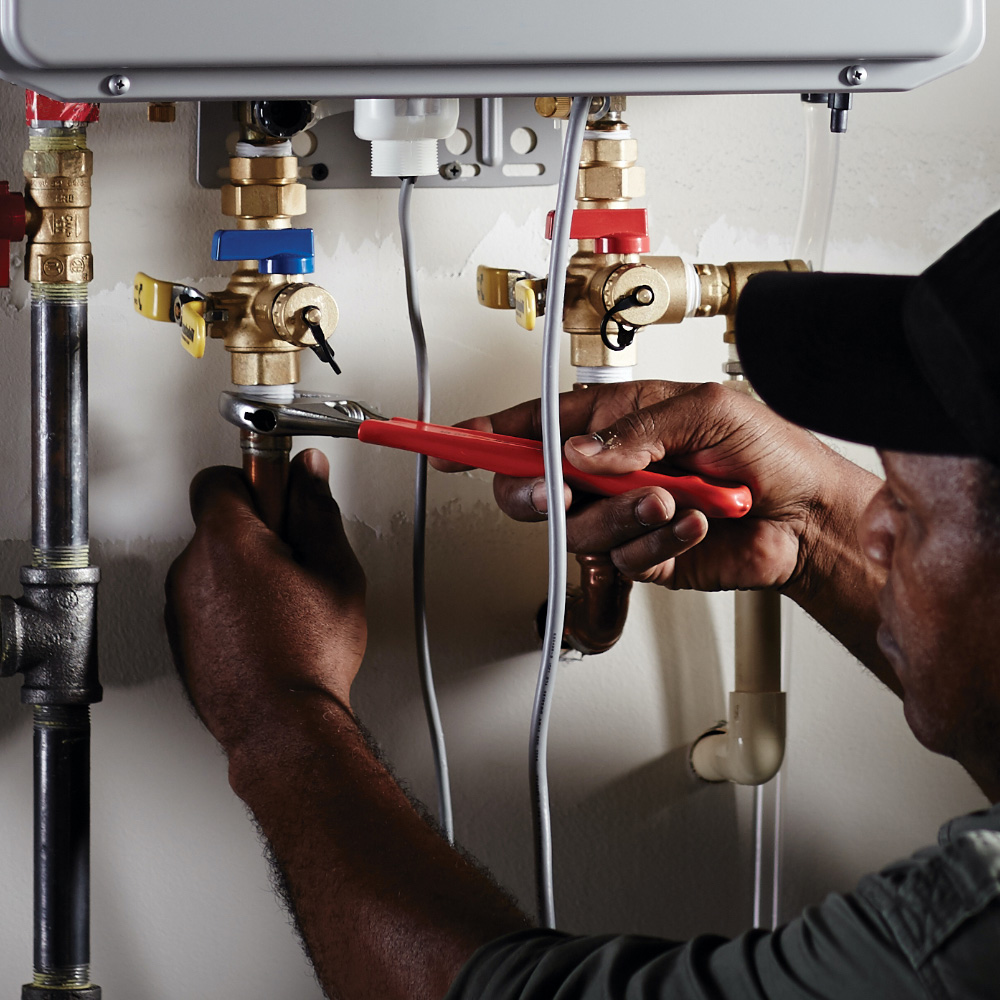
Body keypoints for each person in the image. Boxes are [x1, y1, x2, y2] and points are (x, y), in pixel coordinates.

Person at [165, 208, 1000, 999]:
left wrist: (276, 711)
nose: (879, 532)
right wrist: (814, 524)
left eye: (917, 511)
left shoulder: (968, 935)